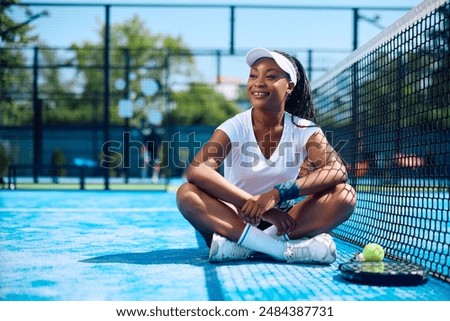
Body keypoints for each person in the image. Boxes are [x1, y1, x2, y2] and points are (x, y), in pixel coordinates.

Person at [176, 47, 356, 264]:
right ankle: (279, 250)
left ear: (289, 86)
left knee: (345, 194)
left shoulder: (305, 130)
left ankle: (250, 247)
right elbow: (198, 169)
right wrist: (255, 205)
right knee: (187, 193)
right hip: (234, 220)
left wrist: (277, 194)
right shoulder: (234, 126)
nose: (258, 82)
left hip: (283, 222)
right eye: (253, 75)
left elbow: (337, 170)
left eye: (270, 76)